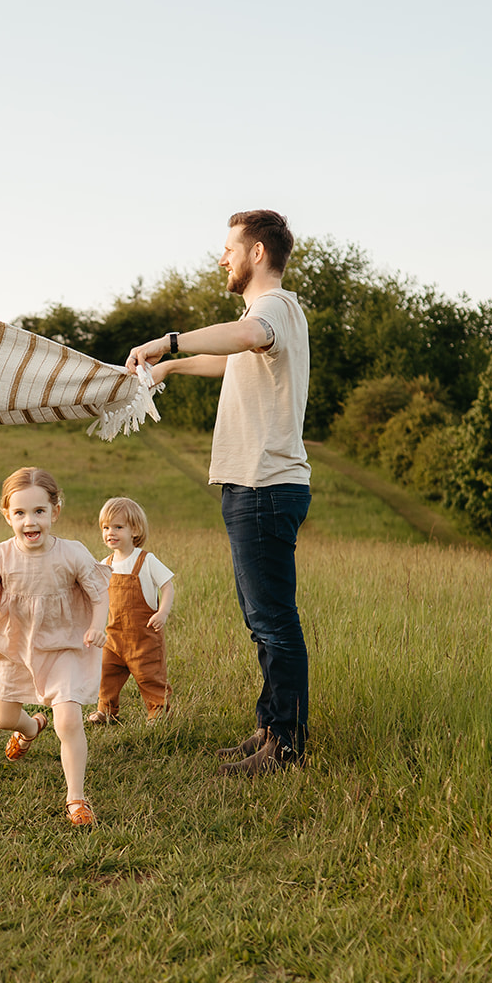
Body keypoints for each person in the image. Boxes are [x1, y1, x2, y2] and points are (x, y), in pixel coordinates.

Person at [125, 210, 310, 776]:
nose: (222, 258)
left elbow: (245, 336)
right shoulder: (268, 315)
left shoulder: (271, 308)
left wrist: (166, 339)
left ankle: (287, 747)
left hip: (264, 486)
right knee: (262, 619)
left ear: (257, 252)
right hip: (255, 486)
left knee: (273, 621)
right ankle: (270, 730)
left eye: (230, 248)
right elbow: (230, 353)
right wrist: (172, 367)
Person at [0, 466, 110, 825]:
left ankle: (76, 800)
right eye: (19, 513)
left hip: (64, 643)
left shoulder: (72, 553)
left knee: (68, 720)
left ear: (55, 511)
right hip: (14, 644)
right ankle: (32, 727)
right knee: (2, 719)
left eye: (39, 511)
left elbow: (100, 595)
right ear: (7, 515)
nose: (29, 521)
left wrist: (98, 627)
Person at [87, 496, 174, 725]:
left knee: (149, 677)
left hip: (143, 639)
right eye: (106, 527)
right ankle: (106, 711)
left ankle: (158, 712)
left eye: (118, 527)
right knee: (106, 675)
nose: (110, 533)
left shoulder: (146, 560)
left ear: (134, 530)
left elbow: (167, 586)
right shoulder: (104, 563)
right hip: (113, 638)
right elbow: (94, 594)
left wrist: (162, 612)